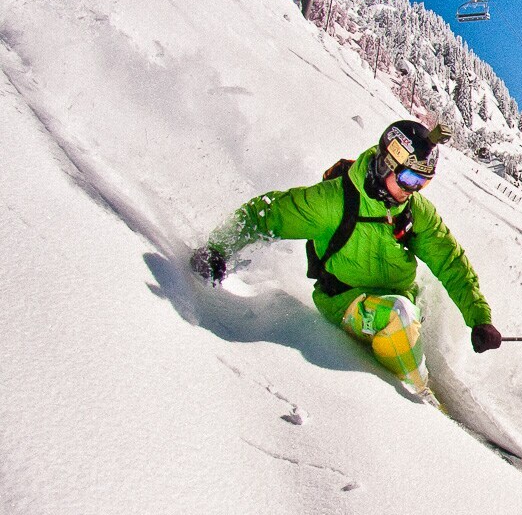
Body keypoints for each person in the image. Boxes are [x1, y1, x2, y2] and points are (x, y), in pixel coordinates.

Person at [191, 120, 502, 397]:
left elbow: (450, 261)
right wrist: (218, 248)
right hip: (347, 302)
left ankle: (424, 369)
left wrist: (479, 319)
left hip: (396, 298)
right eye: (409, 179)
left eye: (423, 183)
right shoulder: (334, 201)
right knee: (401, 315)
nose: (413, 190)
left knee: (408, 308)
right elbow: (268, 214)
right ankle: (419, 394)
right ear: (385, 164)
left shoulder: (412, 210)